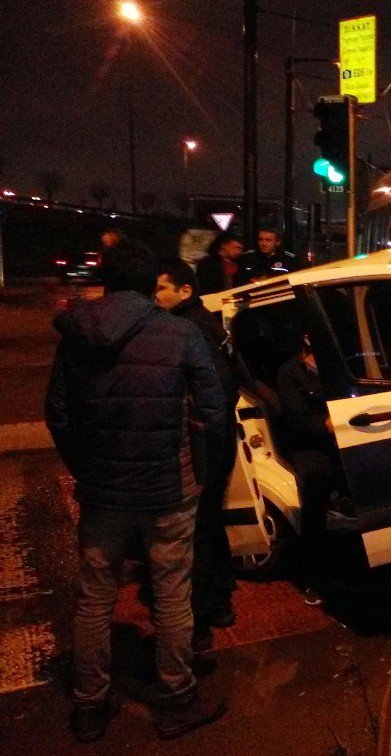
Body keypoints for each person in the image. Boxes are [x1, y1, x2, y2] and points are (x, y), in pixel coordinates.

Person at [46, 241, 228, 742]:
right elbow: (214, 412)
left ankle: (89, 704)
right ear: (154, 285)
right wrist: (207, 471)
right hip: (169, 487)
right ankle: (176, 699)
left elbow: (58, 412)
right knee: (171, 592)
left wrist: (87, 468)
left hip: (103, 491)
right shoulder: (181, 333)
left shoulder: (78, 333)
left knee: (94, 597)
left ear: (105, 280)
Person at [155, 258, 239, 652]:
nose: (155, 297)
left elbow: (214, 394)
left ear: (185, 290)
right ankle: (220, 597)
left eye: (161, 289)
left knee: (197, 531)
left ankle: (205, 611)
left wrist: (204, 443)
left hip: (204, 444)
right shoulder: (209, 322)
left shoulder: (188, 330)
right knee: (210, 522)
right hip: (217, 442)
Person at [275, 335, 344, 605]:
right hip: (309, 443)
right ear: (306, 338)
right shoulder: (290, 372)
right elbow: (296, 420)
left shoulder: (337, 362)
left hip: (343, 434)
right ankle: (314, 580)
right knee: (315, 494)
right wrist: (327, 424)